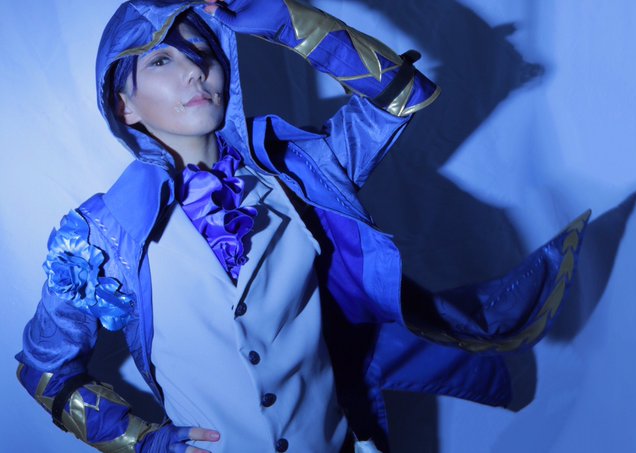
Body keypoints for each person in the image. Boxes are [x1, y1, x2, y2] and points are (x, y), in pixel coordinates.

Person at [15, 1, 589, 452]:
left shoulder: (304, 170)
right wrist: (140, 441)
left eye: (203, 51)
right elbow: (45, 372)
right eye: (161, 61)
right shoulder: (99, 238)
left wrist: (291, 22)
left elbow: (399, 95)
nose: (194, 70)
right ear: (125, 106)